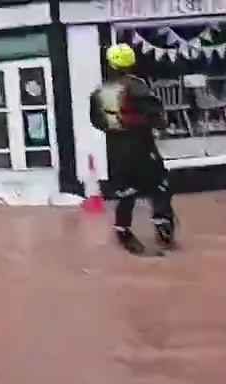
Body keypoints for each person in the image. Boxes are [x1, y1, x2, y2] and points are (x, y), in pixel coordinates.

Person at [89, 43, 177, 255]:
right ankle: (163, 224)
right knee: (160, 185)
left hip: (116, 149)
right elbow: (156, 113)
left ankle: (123, 229)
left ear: (110, 63)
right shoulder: (138, 86)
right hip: (141, 145)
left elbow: (96, 121)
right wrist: (160, 124)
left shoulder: (99, 91)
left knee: (126, 191)